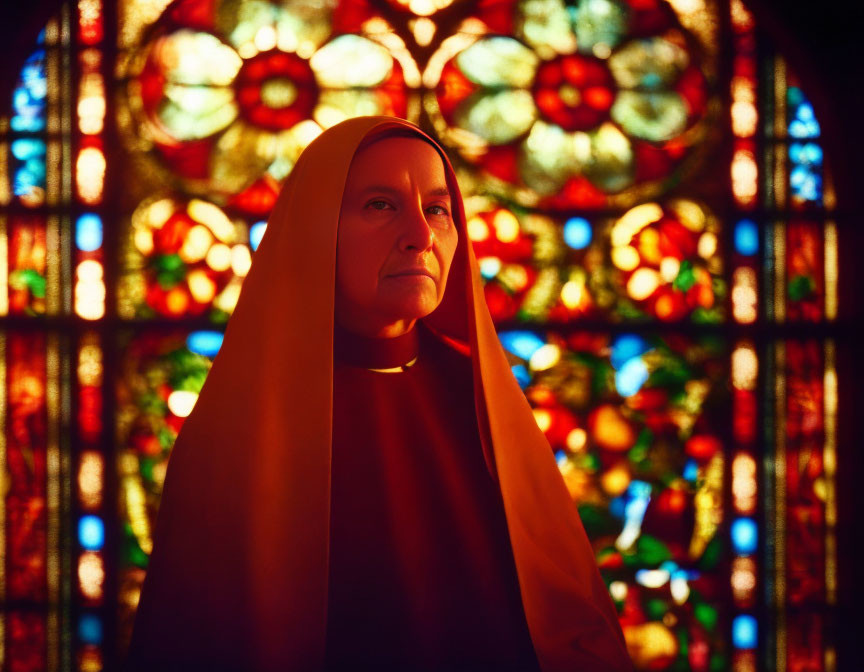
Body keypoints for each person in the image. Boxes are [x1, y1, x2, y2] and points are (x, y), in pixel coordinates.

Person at [126, 116, 632, 671]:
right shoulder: (241, 424)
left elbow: (565, 615)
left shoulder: (483, 399)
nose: (421, 235)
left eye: (438, 209)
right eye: (380, 205)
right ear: (317, 229)